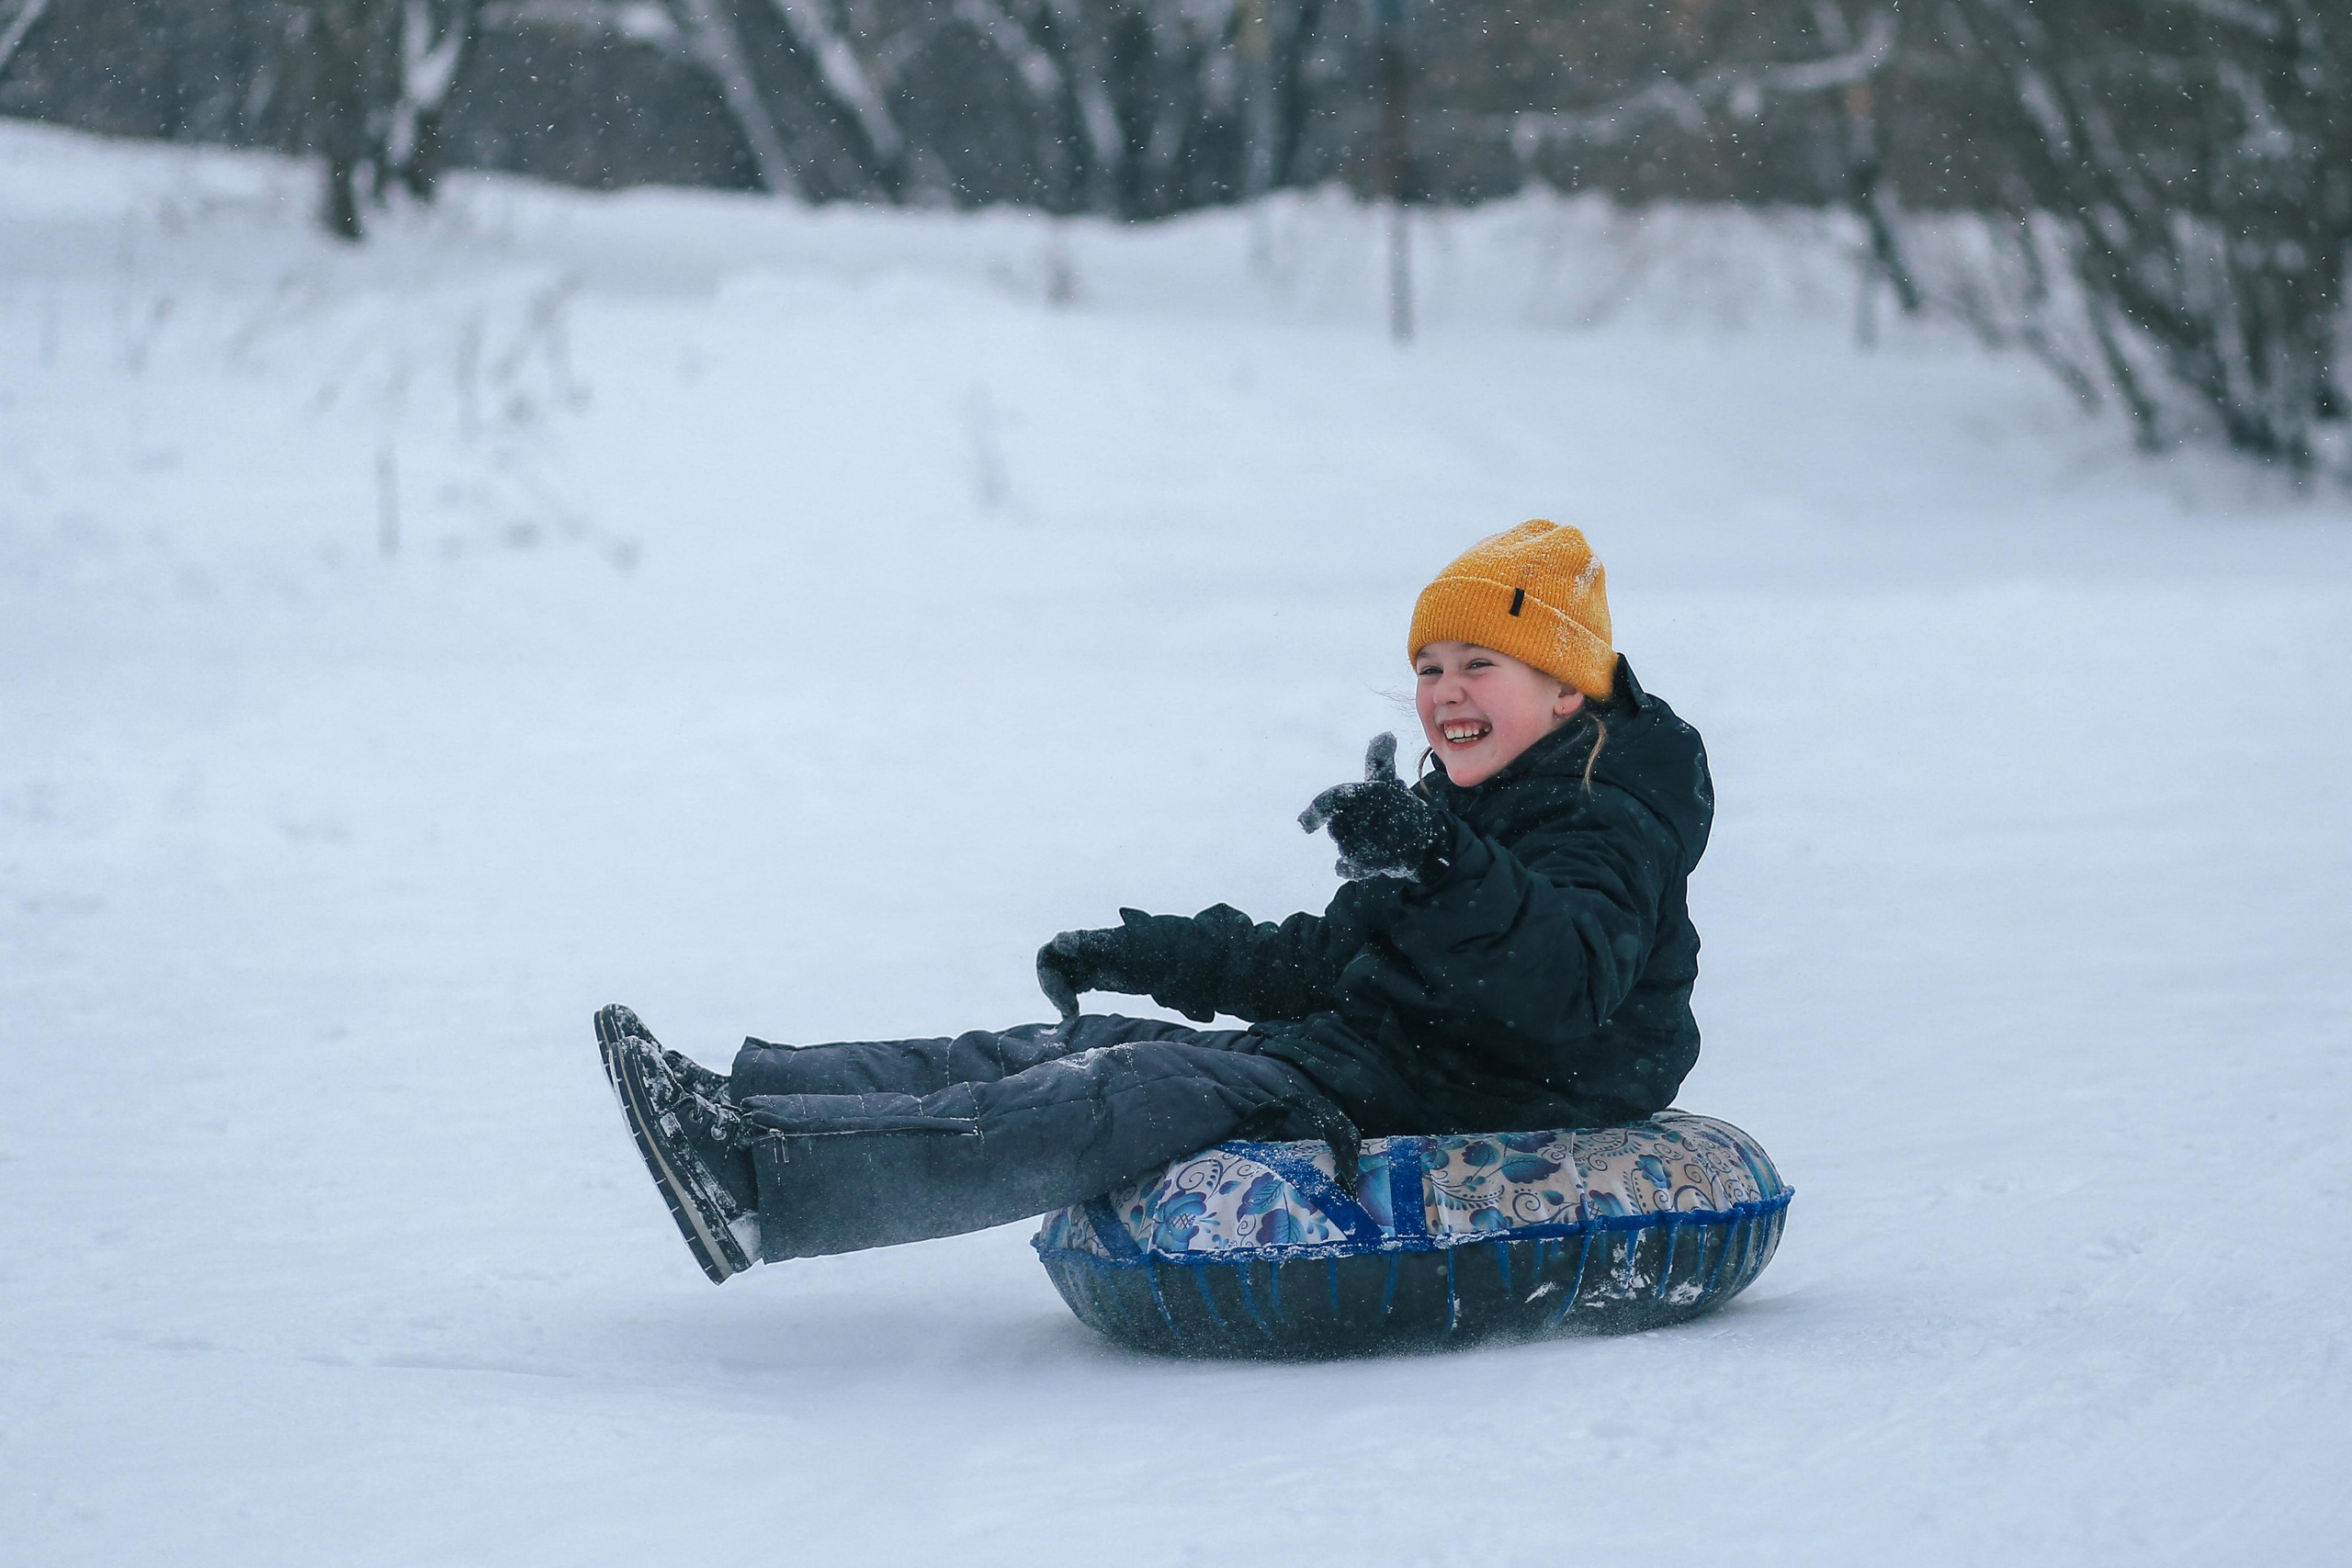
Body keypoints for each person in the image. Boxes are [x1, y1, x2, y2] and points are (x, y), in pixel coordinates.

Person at [595, 520, 1714, 1284]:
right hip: (1378, 1054)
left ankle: (757, 1180)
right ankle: (748, 1097)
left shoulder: (1603, 816)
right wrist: (1158, 956)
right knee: (1059, 1046)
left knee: (1120, 1092)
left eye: (1481, 665)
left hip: (1486, 1090)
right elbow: (1334, 960)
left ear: (1563, 687)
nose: (1445, 694)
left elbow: (1567, 982)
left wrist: (1435, 862)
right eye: (1429, 667)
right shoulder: (1465, 809)